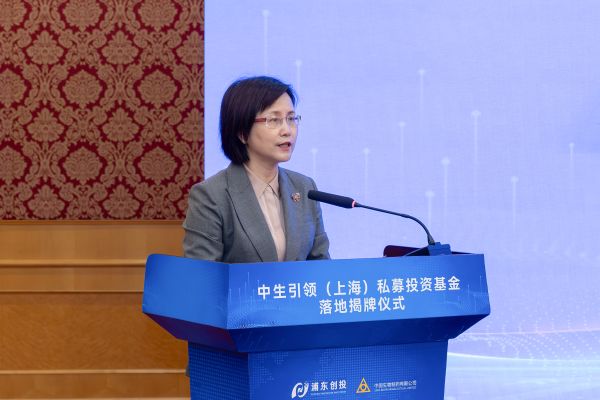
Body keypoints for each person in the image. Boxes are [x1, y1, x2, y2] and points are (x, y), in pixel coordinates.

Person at [183, 76, 330, 262]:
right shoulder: (211, 196)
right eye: (274, 120)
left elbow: (321, 266)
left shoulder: (304, 187)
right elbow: (203, 274)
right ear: (242, 132)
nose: (287, 130)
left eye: (291, 118)